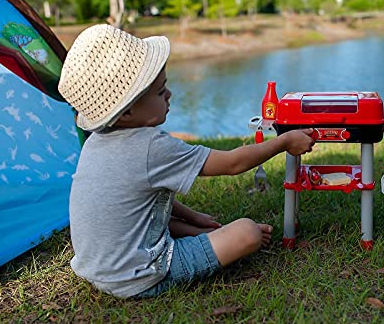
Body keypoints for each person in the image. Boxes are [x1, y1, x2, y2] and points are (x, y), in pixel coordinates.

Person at [58, 24, 315, 299]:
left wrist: (193, 217)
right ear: (128, 112)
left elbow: (139, 200)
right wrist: (284, 142)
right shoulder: (151, 147)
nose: (169, 95)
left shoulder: (95, 141)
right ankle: (204, 239)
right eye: (160, 91)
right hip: (140, 276)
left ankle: (199, 232)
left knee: (187, 227)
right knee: (247, 232)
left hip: (95, 266)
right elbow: (231, 164)